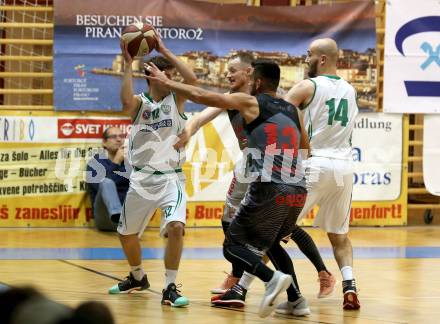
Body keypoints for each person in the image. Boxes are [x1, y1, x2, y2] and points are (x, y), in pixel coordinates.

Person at [147, 59, 309, 318]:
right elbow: (306, 149)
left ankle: (269, 279)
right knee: (271, 243)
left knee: (232, 244)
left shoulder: (250, 102)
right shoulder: (294, 110)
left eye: (238, 72)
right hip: (299, 186)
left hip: (269, 184)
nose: (231, 75)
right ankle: (297, 301)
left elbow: (201, 95)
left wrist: (165, 82)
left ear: (255, 80)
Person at [175, 53, 335, 308]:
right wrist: (190, 130)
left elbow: (201, 96)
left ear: (251, 75)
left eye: (233, 70)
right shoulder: (239, 99)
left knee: (259, 236)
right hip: (264, 170)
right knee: (252, 230)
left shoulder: (257, 101)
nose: (228, 75)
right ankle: (252, 283)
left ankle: (251, 280)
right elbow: (200, 115)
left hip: (267, 172)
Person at [107, 32, 197, 309]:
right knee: (126, 233)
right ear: (151, 76)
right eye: (167, 74)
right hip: (142, 180)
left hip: (171, 179)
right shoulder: (141, 104)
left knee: (176, 227)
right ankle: (137, 277)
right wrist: (128, 62)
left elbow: (192, 80)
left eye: (171, 74)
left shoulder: (177, 98)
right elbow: (124, 104)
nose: (173, 79)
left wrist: (165, 50)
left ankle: (170, 286)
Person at [283, 38, 360, 311]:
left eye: (309, 55)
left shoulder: (308, 86)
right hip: (344, 167)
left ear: (323, 59)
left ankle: (240, 286)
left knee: (276, 229)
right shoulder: (351, 90)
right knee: (339, 236)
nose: (306, 60)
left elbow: (278, 114)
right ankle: (350, 285)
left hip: (315, 164)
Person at [86, 126, 129, 231]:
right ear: (104, 143)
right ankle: (117, 215)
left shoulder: (129, 164)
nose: (119, 139)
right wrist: (116, 162)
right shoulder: (94, 163)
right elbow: (101, 187)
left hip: (128, 218)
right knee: (106, 182)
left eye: (121, 136)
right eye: (114, 136)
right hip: (105, 218)